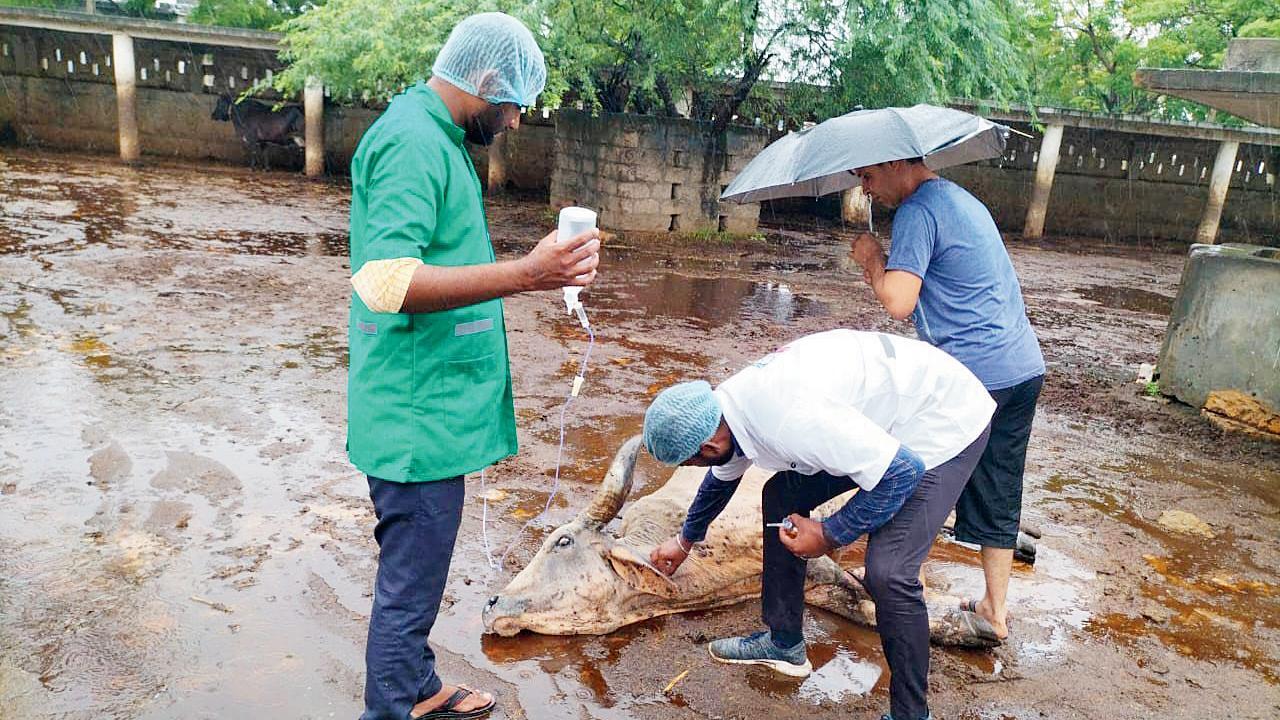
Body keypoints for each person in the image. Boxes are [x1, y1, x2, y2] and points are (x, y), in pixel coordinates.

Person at [346, 13, 600, 720]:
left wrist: (545, 268)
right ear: (485, 82)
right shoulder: (410, 142)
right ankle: (390, 708)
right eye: (514, 104)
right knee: (408, 587)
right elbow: (385, 282)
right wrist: (526, 274)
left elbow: (436, 256)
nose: (516, 122)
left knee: (419, 575)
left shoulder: (436, 135)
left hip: (431, 410)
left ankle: (419, 688)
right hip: (414, 420)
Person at [645, 329, 995, 720]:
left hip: (941, 422)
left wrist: (829, 534)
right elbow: (720, 478)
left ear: (708, 446)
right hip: (879, 421)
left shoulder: (788, 419)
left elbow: (902, 472)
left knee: (890, 572)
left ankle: (911, 714)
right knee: (781, 496)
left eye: (690, 462)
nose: (696, 468)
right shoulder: (721, 412)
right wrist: (685, 540)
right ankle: (784, 644)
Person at [850, 158, 1044, 641]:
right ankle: (995, 611)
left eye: (868, 177)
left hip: (973, 377)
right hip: (1021, 368)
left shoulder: (917, 211)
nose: (866, 190)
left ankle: (892, 581)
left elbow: (899, 301)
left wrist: (872, 259)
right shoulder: (962, 199)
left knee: (915, 468)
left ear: (896, 163)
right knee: (999, 485)